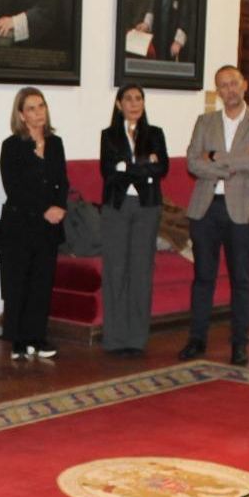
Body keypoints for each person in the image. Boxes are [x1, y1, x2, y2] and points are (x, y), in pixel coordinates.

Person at [179, 66, 249, 367]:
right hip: (205, 208)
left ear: (244, 85)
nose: (229, 90)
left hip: (242, 208)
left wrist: (217, 157)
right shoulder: (205, 121)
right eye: (223, 86)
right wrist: (232, 162)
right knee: (203, 278)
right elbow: (193, 161)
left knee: (241, 279)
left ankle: (239, 344)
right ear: (217, 91)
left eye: (234, 83)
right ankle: (197, 339)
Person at [97, 85, 169, 357]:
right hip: (116, 208)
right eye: (128, 99)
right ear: (119, 105)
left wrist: (127, 165)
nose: (134, 103)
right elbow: (108, 172)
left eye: (139, 98)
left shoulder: (155, 134)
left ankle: (136, 338)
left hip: (147, 207)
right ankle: (115, 338)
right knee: (115, 271)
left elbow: (161, 168)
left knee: (141, 271)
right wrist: (143, 166)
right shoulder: (109, 136)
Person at [0, 87, 68, 360]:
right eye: (31, 108)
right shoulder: (11, 146)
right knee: (19, 282)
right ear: (21, 115)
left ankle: (37, 337)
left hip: (49, 226)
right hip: (21, 223)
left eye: (41, 106)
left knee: (42, 282)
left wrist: (60, 206)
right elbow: (14, 187)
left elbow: (62, 180)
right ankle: (18, 340)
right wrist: (44, 209)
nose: (38, 112)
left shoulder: (56, 143)